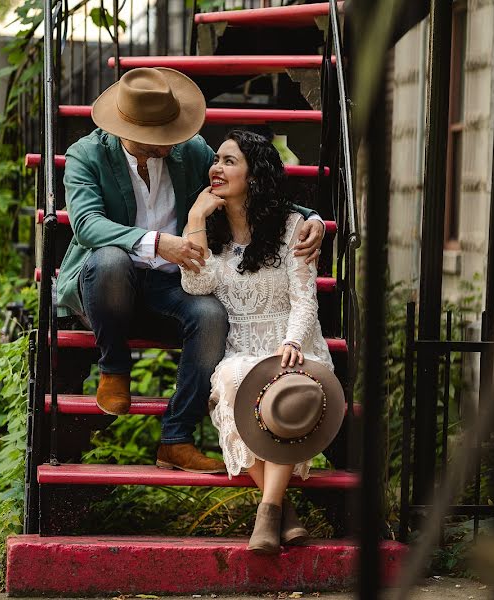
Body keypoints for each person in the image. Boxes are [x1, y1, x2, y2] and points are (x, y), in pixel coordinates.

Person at [56, 68, 327, 474]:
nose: (174, 139)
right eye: (162, 134)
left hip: (172, 283)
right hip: (108, 285)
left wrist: (312, 218)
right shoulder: (87, 155)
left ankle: (175, 439)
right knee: (110, 259)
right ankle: (113, 367)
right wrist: (156, 242)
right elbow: (87, 224)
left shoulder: (189, 150)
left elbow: (251, 182)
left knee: (211, 315)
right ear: (130, 130)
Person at [180, 130, 344, 553]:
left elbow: (305, 300)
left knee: (285, 389)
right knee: (234, 379)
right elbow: (196, 286)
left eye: (229, 161)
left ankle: (268, 513)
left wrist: (291, 341)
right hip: (241, 347)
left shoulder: (294, 227)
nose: (216, 168)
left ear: (255, 175)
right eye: (215, 160)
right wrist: (196, 218)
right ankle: (280, 512)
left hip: (292, 341)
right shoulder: (210, 231)